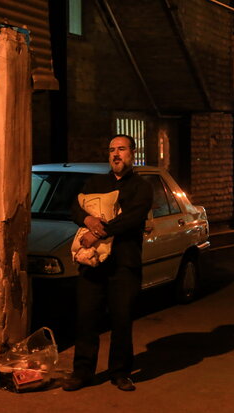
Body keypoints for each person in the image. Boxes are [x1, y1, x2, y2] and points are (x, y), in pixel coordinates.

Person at [62, 134, 153, 392]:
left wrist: (98, 233)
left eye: (121, 149)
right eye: (112, 149)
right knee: (86, 318)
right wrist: (88, 221)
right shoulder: (95, 182)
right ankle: (82, 372)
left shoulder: (142, 186)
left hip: (124, 263)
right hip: (92, 263)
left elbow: (132, 218)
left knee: (121, 320)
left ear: (133, 153)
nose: (116, 154)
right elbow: (74, 208)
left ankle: (120, 372)